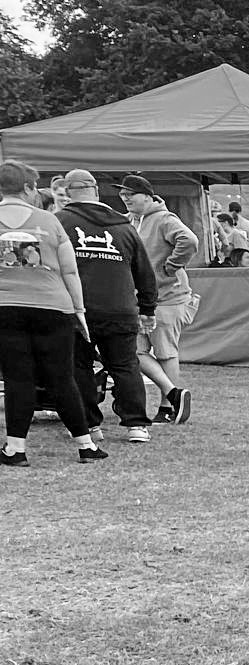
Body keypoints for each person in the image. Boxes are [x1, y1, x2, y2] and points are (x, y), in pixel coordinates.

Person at [1, 161, 104, 466]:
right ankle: (86, 445)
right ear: (30, 188)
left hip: (6, 308)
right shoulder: (50, 221)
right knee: (62, 377)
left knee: (18, 378)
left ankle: (15, 449)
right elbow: (70, 271)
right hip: (53, 307)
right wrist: (80, 311)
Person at [55, 169, 158, 446]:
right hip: (120, 307)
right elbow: (144, 272)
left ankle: (89, 425)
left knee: (80, 366)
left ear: (67, 193)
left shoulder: (58, 222)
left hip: (77, 308)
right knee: (125, 365)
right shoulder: (124, 226)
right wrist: (148, 308)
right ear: (97, 192)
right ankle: (136, 425)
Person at [119, 176, 197, 424]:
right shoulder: (130, 220)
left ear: (148, 196)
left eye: (131, 194)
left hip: (167, 297)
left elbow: (190, 241)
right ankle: (174, 395)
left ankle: (168, 407)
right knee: (135, 351)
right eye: (123, 194)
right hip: (141, 298)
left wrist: (169, 267)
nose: (126, 198)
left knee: (165, 352)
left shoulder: (164, 219)